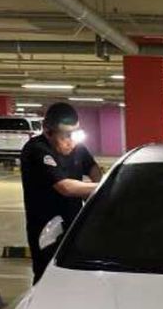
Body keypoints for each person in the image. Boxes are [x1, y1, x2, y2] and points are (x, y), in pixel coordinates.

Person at [20, 102, 102, 283]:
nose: (71, 141)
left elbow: (94, 169)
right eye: (65, 135)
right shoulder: (37, 149)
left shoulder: (78, 148)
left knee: (74, 273)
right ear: (48, 132)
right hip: (45, 228)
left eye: (74, 134)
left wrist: (99, 184)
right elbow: (65, 187)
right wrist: (104, 187)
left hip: (73, 223)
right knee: (47, 275)